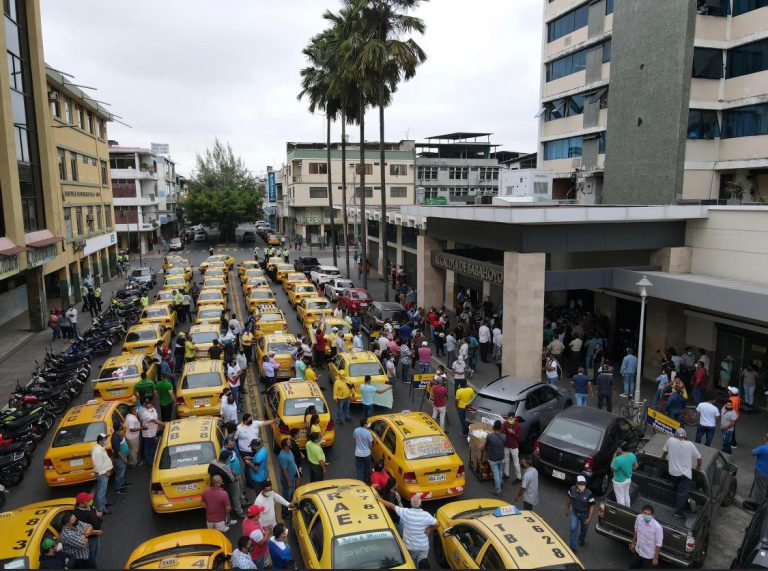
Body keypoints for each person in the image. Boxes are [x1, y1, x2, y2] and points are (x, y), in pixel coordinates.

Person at [376, 493, 437, 566]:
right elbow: (437, 524)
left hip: (411, 546)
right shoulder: (426, 515)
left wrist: (379, 499)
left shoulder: (406, 512)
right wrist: (430, 529)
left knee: (412, 563)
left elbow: (391, 506)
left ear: (411, 504)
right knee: (423, 563)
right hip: (423, 546)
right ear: (420, 504)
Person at [661, 428, 702, 519]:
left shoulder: (670, 440)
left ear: (675, 435)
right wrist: (698, 467)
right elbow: (699, 458)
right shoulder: (690, 445)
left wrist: (663, 457)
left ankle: (688, 498)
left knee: (679, 489)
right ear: (686, 436)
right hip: (685, 475)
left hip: (673, 473)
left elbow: (665, 451)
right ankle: (678, 512)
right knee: (682, 493)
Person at [565, 475, 595, 552]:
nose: (582, 485)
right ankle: (573, 547)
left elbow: (592, 506)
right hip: (575, 512)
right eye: (580, 483)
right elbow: (569, 499)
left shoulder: (589, 493)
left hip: (585, 514)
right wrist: (567, 509)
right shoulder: (572, 489)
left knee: (584, 529)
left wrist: (589, 518)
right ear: (577, 484)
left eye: (583, 483)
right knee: (573, 528)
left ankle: (581, 540)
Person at [73, 492, 104, 564]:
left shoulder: (89, 506)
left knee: (97, 549)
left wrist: (98, 515)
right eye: (88, 500)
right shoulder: (79, 515)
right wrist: (97, 532)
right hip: (90, 538)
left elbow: (96, 512)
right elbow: (85, 530)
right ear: (82, 503)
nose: (91, 500)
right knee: (92, 554)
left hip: (96, 536)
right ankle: (92, 565)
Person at [91, 433, 113, 515]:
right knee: (101, 492)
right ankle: (102, 509)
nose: (106, 440)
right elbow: (98, 464)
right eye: (105, 439)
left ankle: (104, 502)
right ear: (100, 441)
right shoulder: (97, 451)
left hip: (103, 473)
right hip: (102, 474)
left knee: (102, 490)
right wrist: (106, 472)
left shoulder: (99, 448)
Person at [243, 504, 271, 569]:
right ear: (255, 515)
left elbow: (258, 529)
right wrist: (267, 533)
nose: (260, 514)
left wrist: (264, 529)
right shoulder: (254, 530)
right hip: (258, 555)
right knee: (260, 566)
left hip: (253, 551)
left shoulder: (246, 519)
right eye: (259, 513)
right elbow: (261, 543)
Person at [611, 442, 638, 507]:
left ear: (620, 449)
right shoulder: (632, 455)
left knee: (620, 498)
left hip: (619, 482)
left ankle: (622, 513)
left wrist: (614, 457)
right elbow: (636, 466)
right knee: (626, 495)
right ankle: (628, 508)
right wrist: (629, 469)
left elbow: (612, 469)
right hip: (628, 479)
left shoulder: (618, 459)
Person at [484, 420, 507, 497]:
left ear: (493, 427)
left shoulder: (490, 436)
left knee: (496, 474)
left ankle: (498, 490)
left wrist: (484, 450)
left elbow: (486, 446)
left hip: (493, 458)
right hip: (501, 457)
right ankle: (500, 482)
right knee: (500, 470)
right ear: (501, 427)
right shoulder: (504, 436)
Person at [278, 437, 300, 508]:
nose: (290, 443)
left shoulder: (289, 451)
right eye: (289, 443)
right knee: (286, 495)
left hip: (292, 476)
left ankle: (290, 504)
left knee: (290, 493)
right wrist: (288, 481)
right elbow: (284, 470)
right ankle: (285, 511)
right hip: (288, 479)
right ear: (285, 446)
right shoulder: (283, 456)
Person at [110, 421, 130, 495]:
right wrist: (124, 459)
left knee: (122, 472)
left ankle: (122, 483)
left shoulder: (118, 434)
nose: (123, 425)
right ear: (119, 428)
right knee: (119, 474)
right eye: (121, 425)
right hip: (120, 459)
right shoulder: (115, 438)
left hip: (122, 458)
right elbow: (118, 451)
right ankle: (118, 489)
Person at [502, 415, 522, 483]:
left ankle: (519, 477)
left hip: (514, 447)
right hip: (506, 446)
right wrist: (504, 430)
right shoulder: (505, 423)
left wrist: (513, 432)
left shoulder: (518, 425)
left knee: (516, 463)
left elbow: (519, 437)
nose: (509, 420)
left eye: (511, 418)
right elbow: (502, 431)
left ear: (514, 418)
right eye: (508, 418)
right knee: (506, 461)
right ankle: (506, 474)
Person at [354, 419, 374, 484]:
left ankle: (360, 483)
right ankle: (366, 481)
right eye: (367, 423)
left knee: (359, 469)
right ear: (364, 425)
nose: (368, 424)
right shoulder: (368, 433)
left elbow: (354, 437)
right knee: (367, 468)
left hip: (358, 453)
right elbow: (370, 443)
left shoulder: (356, 430)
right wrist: (370, 450)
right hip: (366, 454)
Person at [752, 434, 768, 504]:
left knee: (761, 490)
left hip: (762, 472)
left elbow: (753, 452)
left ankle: (760, 507)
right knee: (765, 488)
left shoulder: (763, 448)